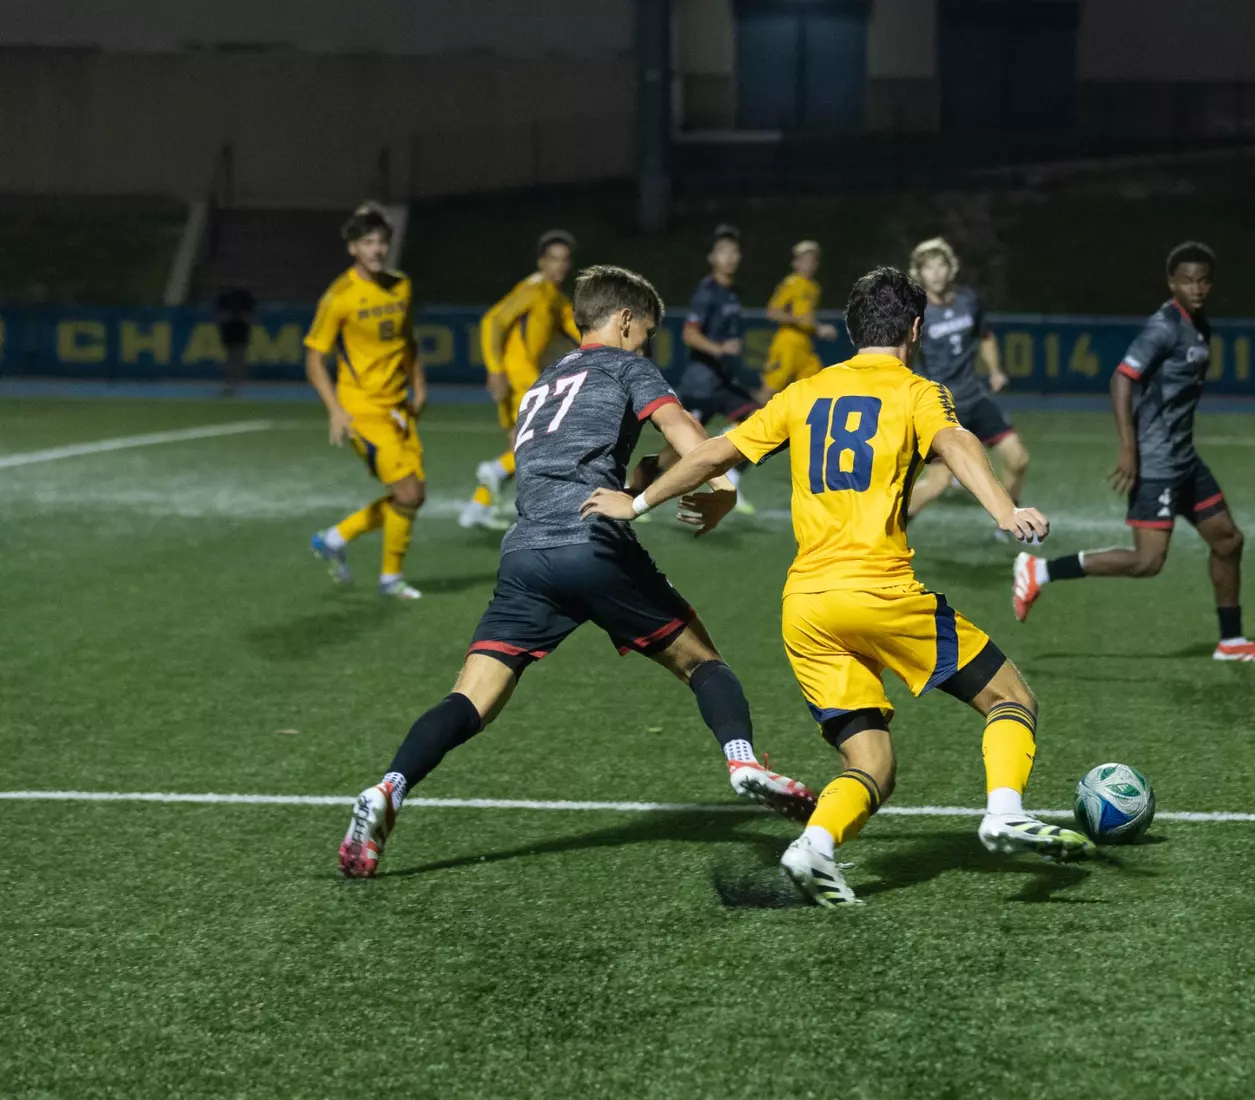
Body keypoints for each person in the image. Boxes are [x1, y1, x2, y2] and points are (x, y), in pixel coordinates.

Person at [584, 265, 1096, 908]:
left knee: (872, 763)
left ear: (852, 330)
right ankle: (1003, 811)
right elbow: (957, 442)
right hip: (877, 591)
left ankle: (813, 848)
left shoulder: (804, 392)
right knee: (1010, 698)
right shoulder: (917, 390)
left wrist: (639, 503)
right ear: (915, 328)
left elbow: (714, 453)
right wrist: (1003, 510)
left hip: (806, 609)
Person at [339, 265, 815, 878]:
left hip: (525, 555)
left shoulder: (543, 384)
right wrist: (717, 489)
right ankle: (745, 761)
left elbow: (587, 464)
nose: (646, 344)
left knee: (471, 697)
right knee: (703, 663)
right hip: (593, 544)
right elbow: (697, 444)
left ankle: (389, 789)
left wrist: (645, 475)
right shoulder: (629, 368)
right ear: (622, 322)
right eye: (644, 331)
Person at [1012, 242, 1255, 663]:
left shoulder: (1199, 324)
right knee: (1147, 562)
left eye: (1204, 280)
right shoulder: (1164, 327)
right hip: (1156, 462)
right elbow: (1122, 379)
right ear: (1171, 283)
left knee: (1228, 540)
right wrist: (1129, 449)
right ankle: (1039, 570)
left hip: (1184, 459)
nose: (1197, 288)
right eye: (1187, 280)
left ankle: (1231, 642)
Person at [305, 203, 426, 600]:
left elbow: (407, 340)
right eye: (368, 243)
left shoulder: (401, 285)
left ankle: (336, 539)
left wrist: (418, 385)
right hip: (363, 411)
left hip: (398, 407)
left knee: (412, 495)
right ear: (353, 249)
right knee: (408, 494)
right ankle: (389, 578)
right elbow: (314, 358)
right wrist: (336, 410)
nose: (376, 250)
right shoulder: (338, 297)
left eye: (381, 242)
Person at [903, 237, 1029, 529]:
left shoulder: (968, 300)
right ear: (919, 273)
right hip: (941, 407)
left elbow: (984, 336)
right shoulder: (915, 313)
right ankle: (890, 528)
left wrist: (996, 370)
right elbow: (903, 353)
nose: (935, 273)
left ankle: (1009, 522)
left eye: (940, 265)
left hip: (973, 397)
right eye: (928, 267)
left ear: (952, 268)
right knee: (938, 484)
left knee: (1018, 460)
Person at [460, 230, 582, 531]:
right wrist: (495, 369)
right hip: (519, 378)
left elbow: (576, 328)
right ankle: (495, 470)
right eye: (553, 259)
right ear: (541, 261)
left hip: (521, 378)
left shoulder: (554, 296)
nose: (559, 266)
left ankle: (477, 507)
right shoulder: (533, 289)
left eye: (564, 260)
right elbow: (492, 320)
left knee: (520, 444)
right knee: (541, 443)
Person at [678, 224, 757, 513]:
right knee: (677, 451)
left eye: (734, 252)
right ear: (712, 258)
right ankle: (632, 489)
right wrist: (720, 349)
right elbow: (689, 333)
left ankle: (731, 479)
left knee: (759, 420)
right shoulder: (707, 292)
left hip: (721, 383)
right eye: (723, 252)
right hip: (700, 384)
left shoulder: (732, 293)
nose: (730, 257)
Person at [760, 240, 837, 397]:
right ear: (795, 262)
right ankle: (744, 419)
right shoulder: (791, 283)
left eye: (812, 260)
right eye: (803, 259)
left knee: (814, 382)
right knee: (773, 385)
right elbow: (773, 312)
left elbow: (806, 317)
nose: (808, 264)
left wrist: (818, 328)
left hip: (804, 343)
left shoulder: (813, 287)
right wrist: (801, 321)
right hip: (787, 340)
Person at [215, 286, 255, 397]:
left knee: (236, 358)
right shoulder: (234, 317)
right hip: (234, 337)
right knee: (234, 358)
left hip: (237, 337)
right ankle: (233, 380)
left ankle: (236, 381)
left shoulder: (234, 317)